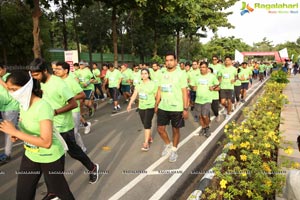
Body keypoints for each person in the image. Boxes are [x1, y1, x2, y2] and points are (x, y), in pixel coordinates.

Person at [0, 70, 74, 200]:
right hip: (30, 154)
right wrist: (18, 135)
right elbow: (30, 129)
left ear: (26, 87)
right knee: (23, 195)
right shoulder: (23, 104)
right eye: (9, 90)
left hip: (49, 157)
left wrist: (15, 132)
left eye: (14, 89)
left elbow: (46, 142)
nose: (11, 93)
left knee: (62, 194)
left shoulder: (43, 107)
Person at [29, 58, 99, 184]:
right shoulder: (43, 82)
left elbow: (73, 104)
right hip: (51, 124)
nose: (35, 78)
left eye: (37, 75)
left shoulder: (59, 84)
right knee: (53, 155)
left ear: (45, 71)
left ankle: (92, 168)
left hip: (64, 126)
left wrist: (55, 112)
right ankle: (55, 187)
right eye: (33, 76)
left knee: (73, 152)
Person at [155, 52, 188, 163]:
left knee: (175, 130)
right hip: (163, 106)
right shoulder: (161, 73)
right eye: (167, 60)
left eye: (171, 60)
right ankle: (168, 144)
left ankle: (174, 150)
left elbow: (184, 92)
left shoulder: (181, 74)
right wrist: (156, 104)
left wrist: (185, 108)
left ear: (175, 61)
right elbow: (160, 89)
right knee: (160, 129)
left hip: (177, 108)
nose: (169, 62)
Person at [53, 61, 89, 152]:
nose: (56, 71)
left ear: (66, 71)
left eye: (58, 69)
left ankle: (82, 148)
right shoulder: (56, 81)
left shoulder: (71, 81)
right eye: (55, 69)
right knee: (60, 131)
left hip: (73, 110)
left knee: (74, 132)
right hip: (62, 110)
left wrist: (70, 98)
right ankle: (65, 149)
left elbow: (82, 95)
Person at [127, 68, 157, 151]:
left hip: (150, 106)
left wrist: (156, 105)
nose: (143, 75)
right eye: (142, 73)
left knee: (147, 123)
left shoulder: (153, 84)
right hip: (141, 107)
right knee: (144, 123)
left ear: (149, 75)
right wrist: (130, 104)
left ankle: (146, 143)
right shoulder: (139, 84)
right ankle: (149, 137)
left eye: (145, 73)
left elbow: (156, 95)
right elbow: (135, 94)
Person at [192, 62, 219, 137]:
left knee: (204, 115)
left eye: (204, 67)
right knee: (200, 116)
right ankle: (203, 128)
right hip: (198, 99)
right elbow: (193, 86)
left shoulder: (211, 76)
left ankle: (207, 127)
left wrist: (213, 87)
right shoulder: (197, 76)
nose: (202, 69)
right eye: (201, 67)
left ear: (207, 68)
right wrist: (193, 87)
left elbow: (217, 83)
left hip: (207, 99)